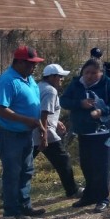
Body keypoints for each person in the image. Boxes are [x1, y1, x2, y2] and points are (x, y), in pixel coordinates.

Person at [0, 46, 46, 219]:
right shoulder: (8, 80)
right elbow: (0, 108)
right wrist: (26, 120)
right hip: (9, 135)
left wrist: (37, 124)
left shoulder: (29, 79)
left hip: (25, 134)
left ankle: (25, 206)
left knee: (26, 171)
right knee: (12, 172)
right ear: (20, 62)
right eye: (31, 64)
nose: (34, 67)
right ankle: (12, 211)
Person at [60, 58, 110, 213]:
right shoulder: (77, 84)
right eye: (87, 72)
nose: (89, 76)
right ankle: (89, 195)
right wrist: (80, 103)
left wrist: (102, 111)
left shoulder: (109, 84)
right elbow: (64, 101)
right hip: (84, 131)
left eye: (94, 73)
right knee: (87, 165)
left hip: (103, 132)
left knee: (102, 166)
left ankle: (103, 198)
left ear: (101, 73)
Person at [32, 64, 81, 199]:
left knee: (24, 162)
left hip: (35, 131)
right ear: (52, 77)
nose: (61, 80)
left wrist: (56, 121)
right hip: (45, 132)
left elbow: (43, 109)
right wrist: (44, 135)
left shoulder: (39, 86)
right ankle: (72, 190)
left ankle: (6, 190)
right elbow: (44, 112)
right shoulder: (50, 91)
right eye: (59, 77)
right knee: (63, 160)